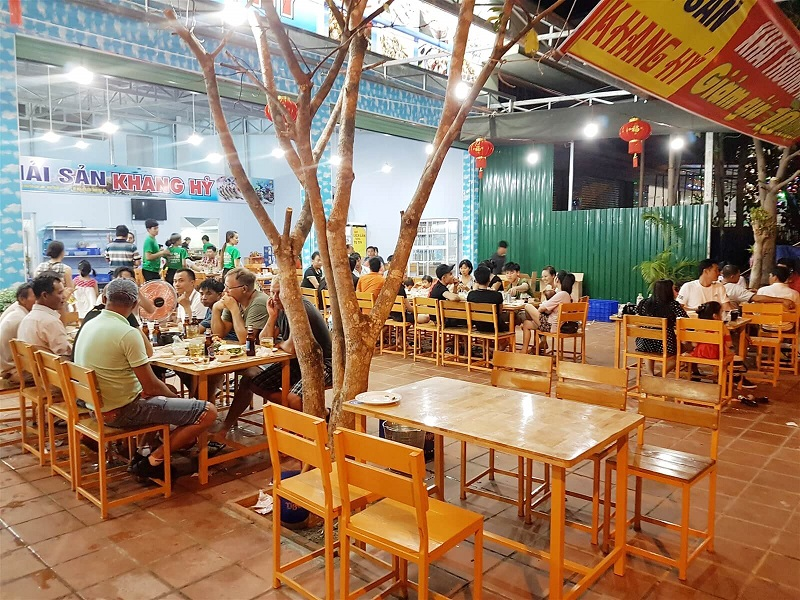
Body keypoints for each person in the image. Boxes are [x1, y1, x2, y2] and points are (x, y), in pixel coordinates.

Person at [73, 278, 217, 479]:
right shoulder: (127, 333)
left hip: (95, 407)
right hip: (122, 412)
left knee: (167, 393)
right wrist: (179, 402)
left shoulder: (89, 324)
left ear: (104, 299)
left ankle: (142, 452)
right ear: (135, 304)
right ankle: (153, 461)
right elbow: (151, 388)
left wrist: (172, 399)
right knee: (207, 412)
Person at [212, 276, 332, 432]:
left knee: (294, 398)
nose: (275, 297)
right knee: (254, 383)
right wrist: (272, 316)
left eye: (279, 293)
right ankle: (310, 414)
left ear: (293, 293)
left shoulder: (301, 309)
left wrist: (280, 344)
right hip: (297, 362)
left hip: (323, 363)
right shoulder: (279, 308)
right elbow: (264, 340)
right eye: (272, 292)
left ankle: (315, 422)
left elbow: (290, 348)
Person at [634, 279, 687, 376]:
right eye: (674, 289)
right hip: (665, 345)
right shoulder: (673, 305)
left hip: (643, 344)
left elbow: (637, 323)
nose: (676, 291)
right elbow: (685, 322)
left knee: (648, 346)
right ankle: (659, 375)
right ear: (668, 291)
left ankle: (650, 375)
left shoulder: (643, 303)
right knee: (681, 352)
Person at [17, 273, 71, 356]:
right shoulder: (50, 322)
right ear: (45, 295)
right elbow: (66, 355)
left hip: (33, 364)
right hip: (52, 364)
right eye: (60, 293)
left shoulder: (27, 318)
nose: (64, 296)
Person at [522, 272, 575, 354]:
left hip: (551, 325)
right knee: (526, 324)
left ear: (557, 279)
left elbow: (542, 308)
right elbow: (549, 309)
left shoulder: (561, 294)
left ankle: (541, 342)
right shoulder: (566, 294)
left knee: (527, 306)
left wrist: (539, 312)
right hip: (554, 324)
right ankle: (524, 350)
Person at [211, 268, 268, 343]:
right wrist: (215, 309)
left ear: (244, 289)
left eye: (228, 287)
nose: (225, 291)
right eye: (225, 286)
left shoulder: (259, 302)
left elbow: (246, 341)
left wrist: (234, 309)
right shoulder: (233, 299)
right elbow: (219, 335)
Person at [0, 284, 36, 382]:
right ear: (22, 299)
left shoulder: (17, 312)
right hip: (13, 371)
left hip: (7, 367)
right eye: (35, 296)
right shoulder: (23, 318)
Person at [721, 264, 794, 310]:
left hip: (717, 322)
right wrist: (782, 300)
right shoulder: (795, 293)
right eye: (738, 276)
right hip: (787, 326)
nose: (740, 278)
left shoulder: (718, 285)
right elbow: (756, 298)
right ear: (732, 276)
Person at [467, 265, 507, 333]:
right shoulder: (497, 295)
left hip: (479, 326)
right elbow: (500, 312)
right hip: (496, 327)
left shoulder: (471, 295)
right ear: (489, 279)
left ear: (476, 280)